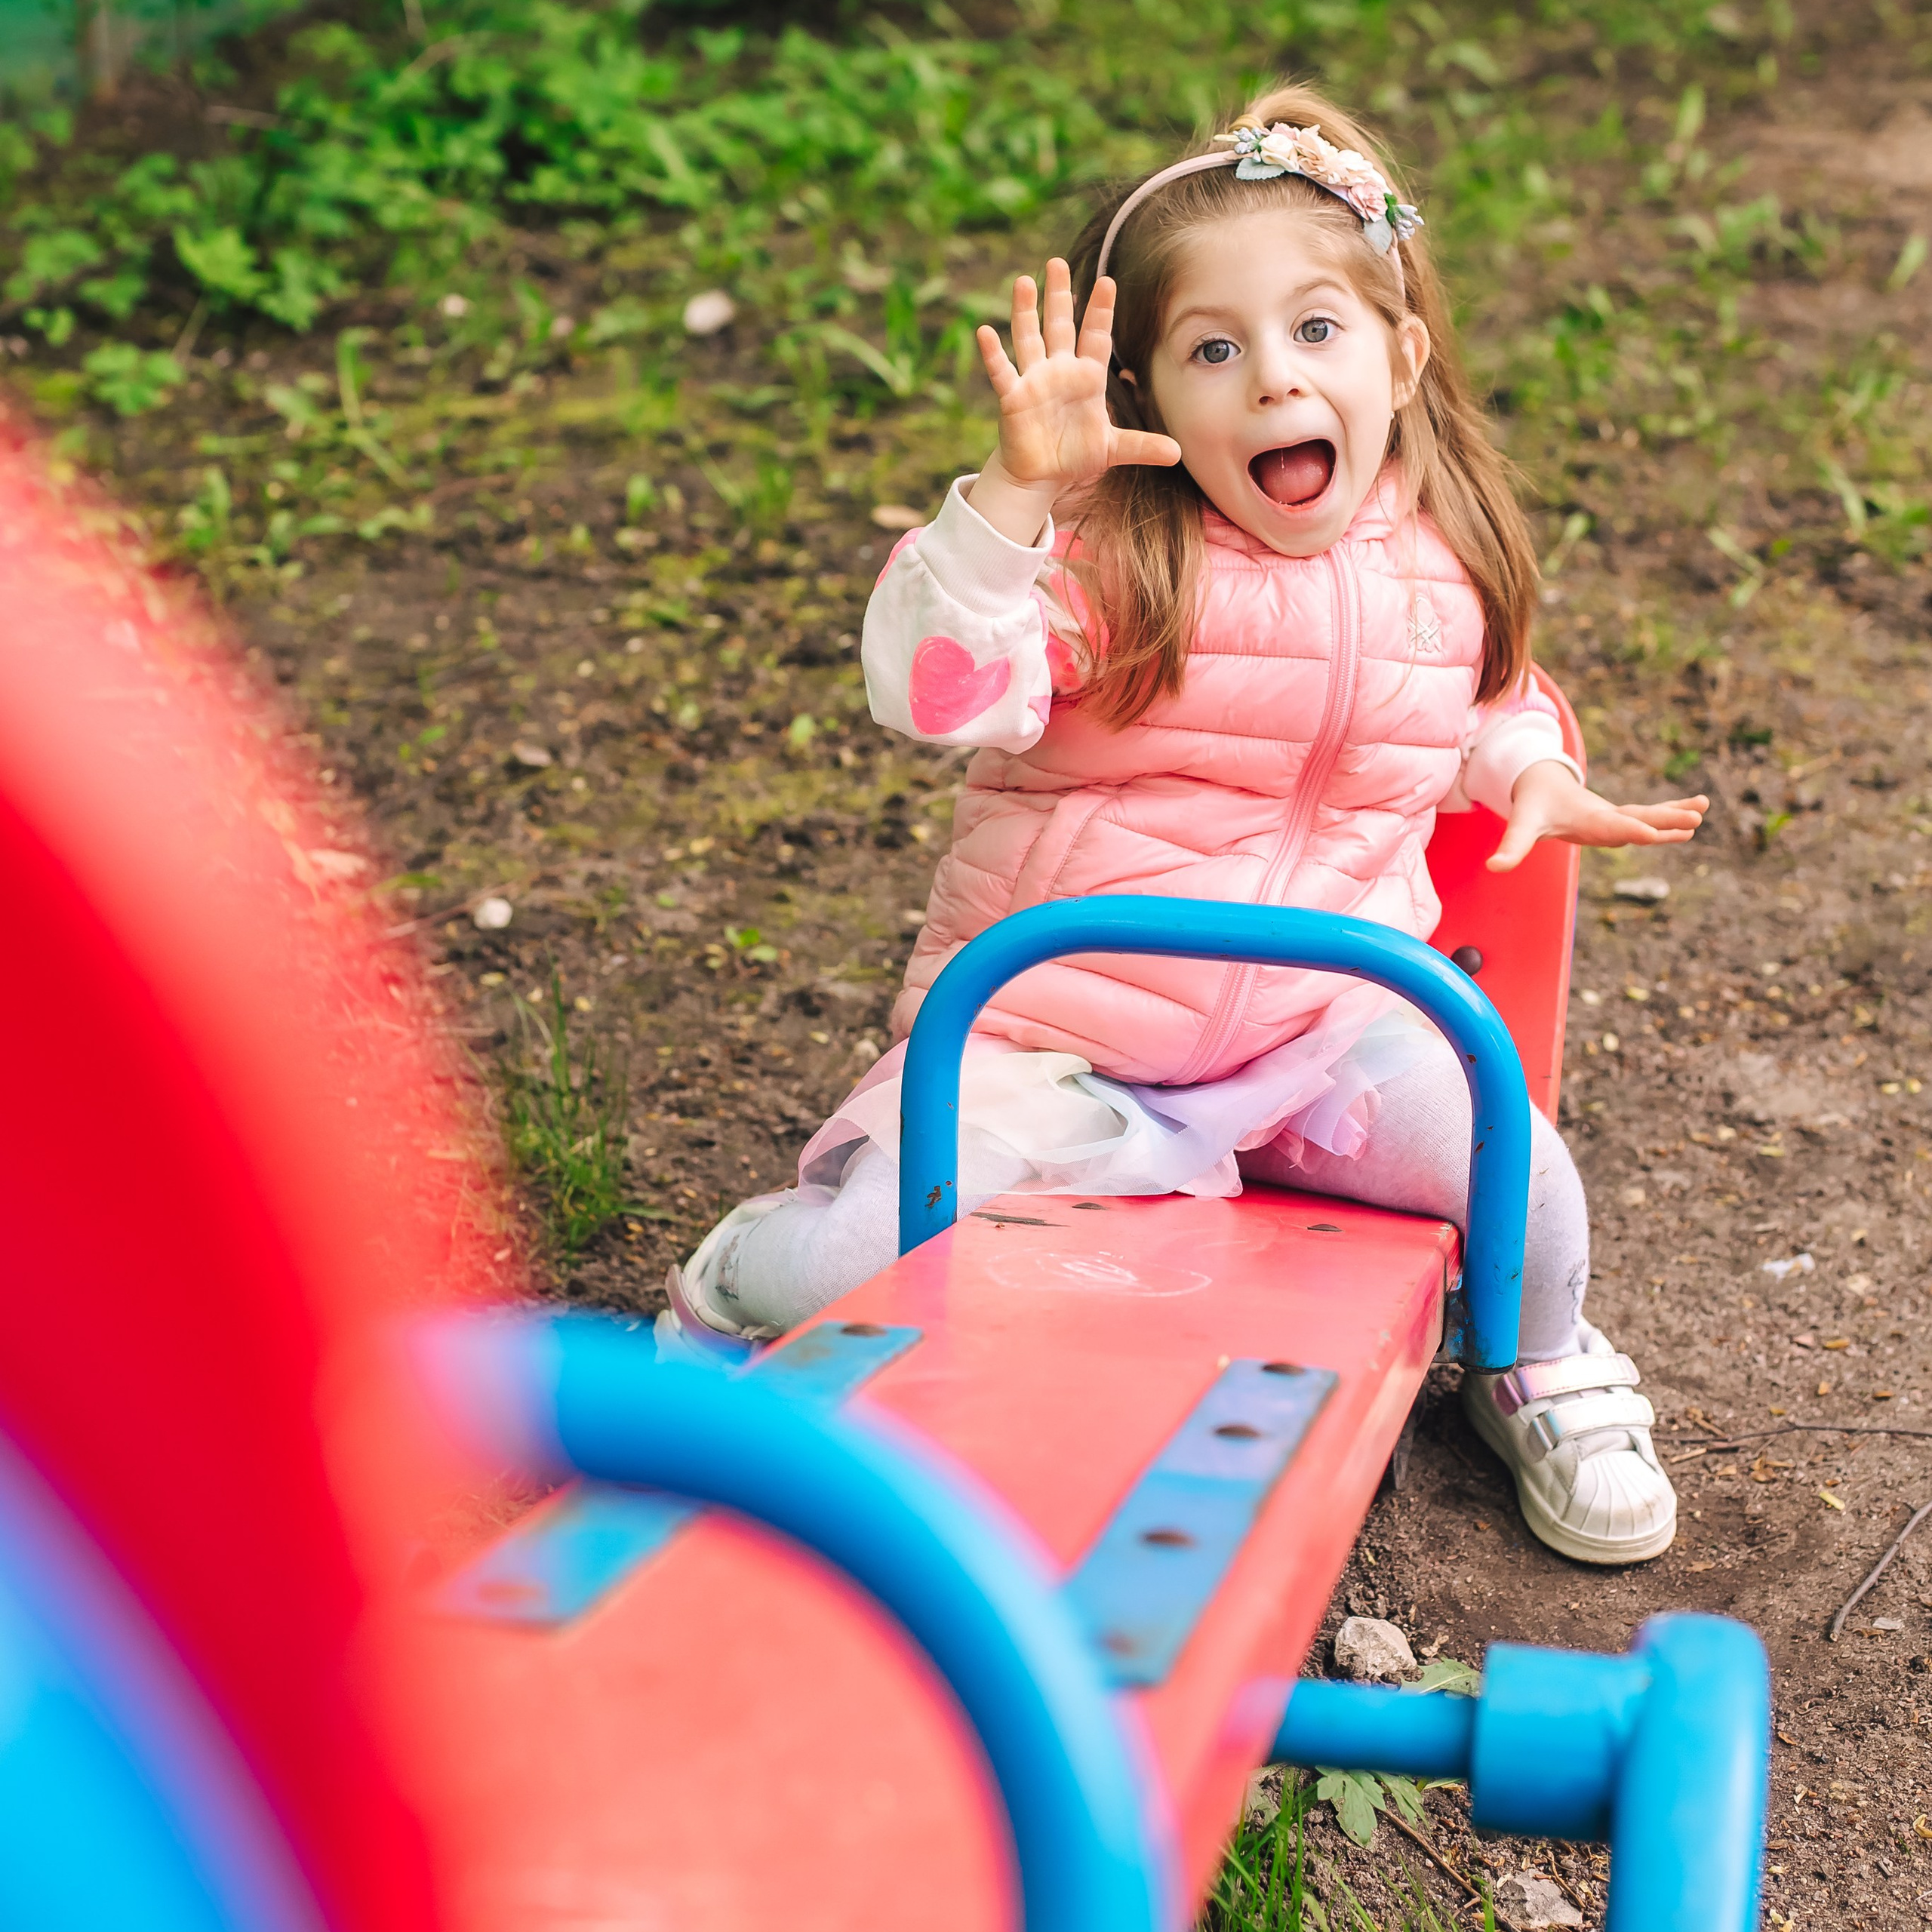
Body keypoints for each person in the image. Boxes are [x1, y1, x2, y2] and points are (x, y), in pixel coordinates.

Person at [662, 82, 1708, 1567]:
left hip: (1315, 1037)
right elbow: (937, 691)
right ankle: (729, 1278)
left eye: (1315, 332)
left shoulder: (1434, 566)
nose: (1274, 382)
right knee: (847, 1254)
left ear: (1399, 357)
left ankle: (1533, 1359)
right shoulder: (1105, 567)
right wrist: (1013, 495)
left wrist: (1522, 764)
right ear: (1150, 395)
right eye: (1214, 349)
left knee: (1518, 1169)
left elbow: (1475, 697)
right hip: (1058, 1045)